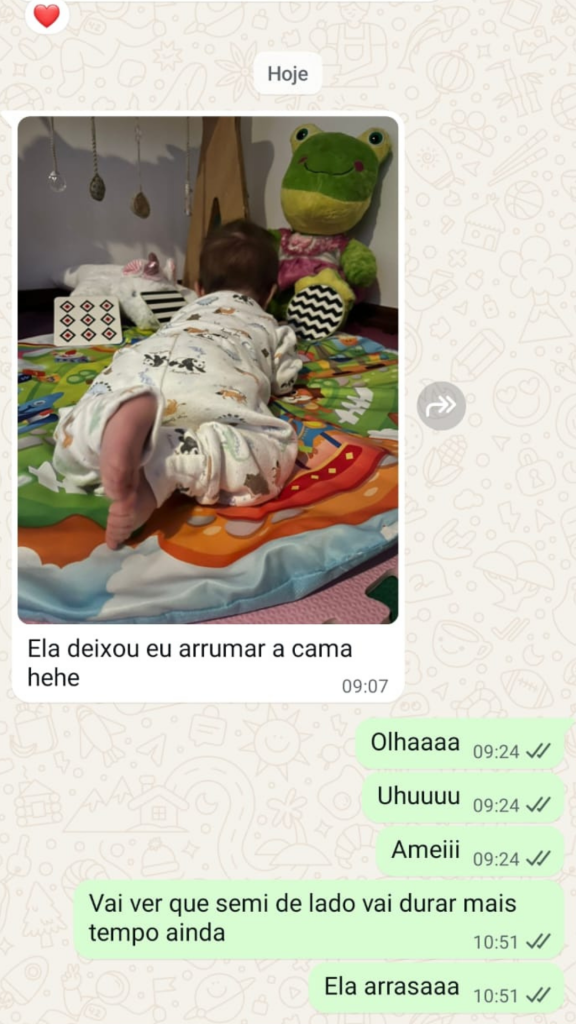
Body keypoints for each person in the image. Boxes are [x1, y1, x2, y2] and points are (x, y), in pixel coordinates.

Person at [53, 220, 302, 550]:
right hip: (212, 384)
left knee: (72, 431)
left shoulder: (185, 311)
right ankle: (167, 461)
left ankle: (107, 420)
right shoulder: (269, 324)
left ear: (198, 288)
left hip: (137, 369)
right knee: (271, 454)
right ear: (270, 293)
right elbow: (284, 379)